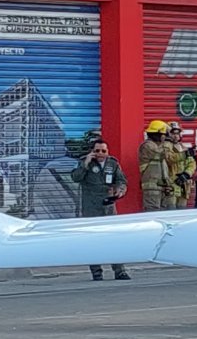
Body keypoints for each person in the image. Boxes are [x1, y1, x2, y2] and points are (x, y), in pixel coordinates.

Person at [70, 138, 130, 281]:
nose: (100, 153)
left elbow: (121, 180)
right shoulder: (85, 163)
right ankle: (96, 271)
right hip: (91, 209)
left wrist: (120, 190)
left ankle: (119, 270)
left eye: (103, 150)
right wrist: (85, 164)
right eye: (97, 151)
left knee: (114, 240)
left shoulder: (112, 163)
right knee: (93, 241)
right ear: (92, 151)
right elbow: (75, 178)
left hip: (108, 208)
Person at [139, 120, 183, 212]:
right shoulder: (147, 146)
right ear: (158, 134)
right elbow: (164, 155)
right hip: (152, 188)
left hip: (161, 187)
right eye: (165, 134)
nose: (166, 136)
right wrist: (168, 142)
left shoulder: (158, 145)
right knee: (152, 214)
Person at [165, 122, 197, 209]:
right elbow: (169, 159)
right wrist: (185, 154)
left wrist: (186, 174)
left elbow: (192, 163)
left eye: (177, 133)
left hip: (183, 185)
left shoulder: (183, 147)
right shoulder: (165, 147)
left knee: (182, 214)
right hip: (171, 185)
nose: (176, 136)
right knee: (170, 212)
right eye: (173, 133)